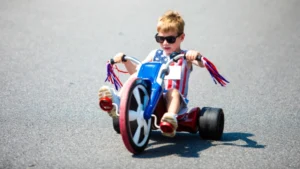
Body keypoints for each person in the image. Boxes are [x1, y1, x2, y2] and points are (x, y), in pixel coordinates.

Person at [98, 10, 205, 137]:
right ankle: (117, 102)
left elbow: (202, 63)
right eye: (160, 38)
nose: (165, 43)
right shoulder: (155, 54)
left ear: (181, 37)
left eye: (170, 39)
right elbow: (138, 72)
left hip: (173, 102)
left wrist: (196, 55)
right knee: (135, 77)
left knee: (173, 92)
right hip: (152, 98)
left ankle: (170, 119)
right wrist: (125, 61)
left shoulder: (185, 57)